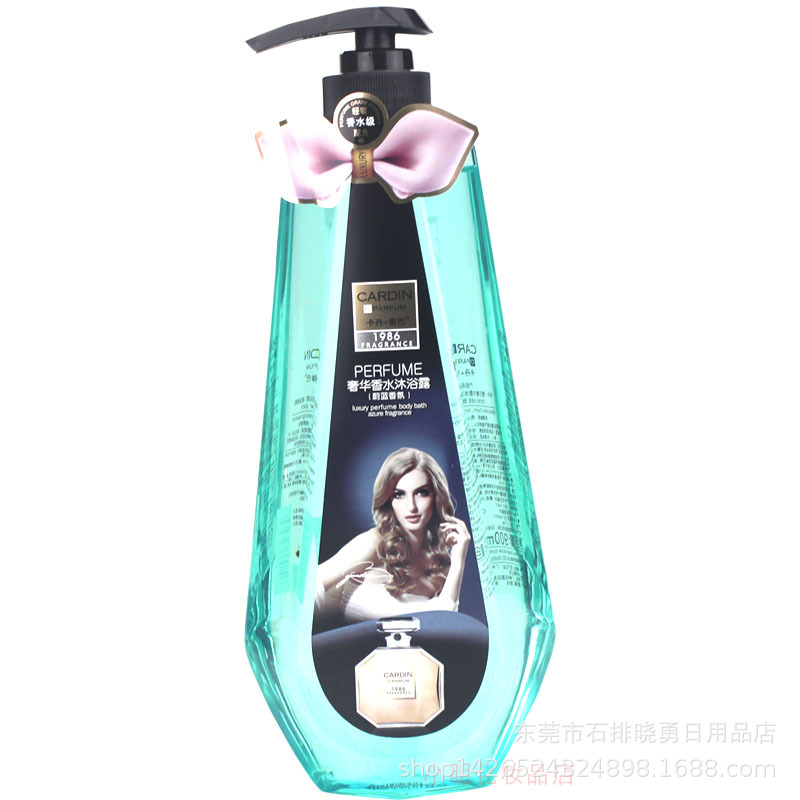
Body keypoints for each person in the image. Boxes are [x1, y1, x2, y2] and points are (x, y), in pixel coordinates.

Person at [315, 447, 471, 626]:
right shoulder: (374, 544)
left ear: (436, 496)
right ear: (388, 499)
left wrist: (458, 561)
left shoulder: (441, 565)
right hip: (350, 644)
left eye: (421, 493)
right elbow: (312, 584)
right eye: (399, 495)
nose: (411, 506)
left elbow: (443, 624)